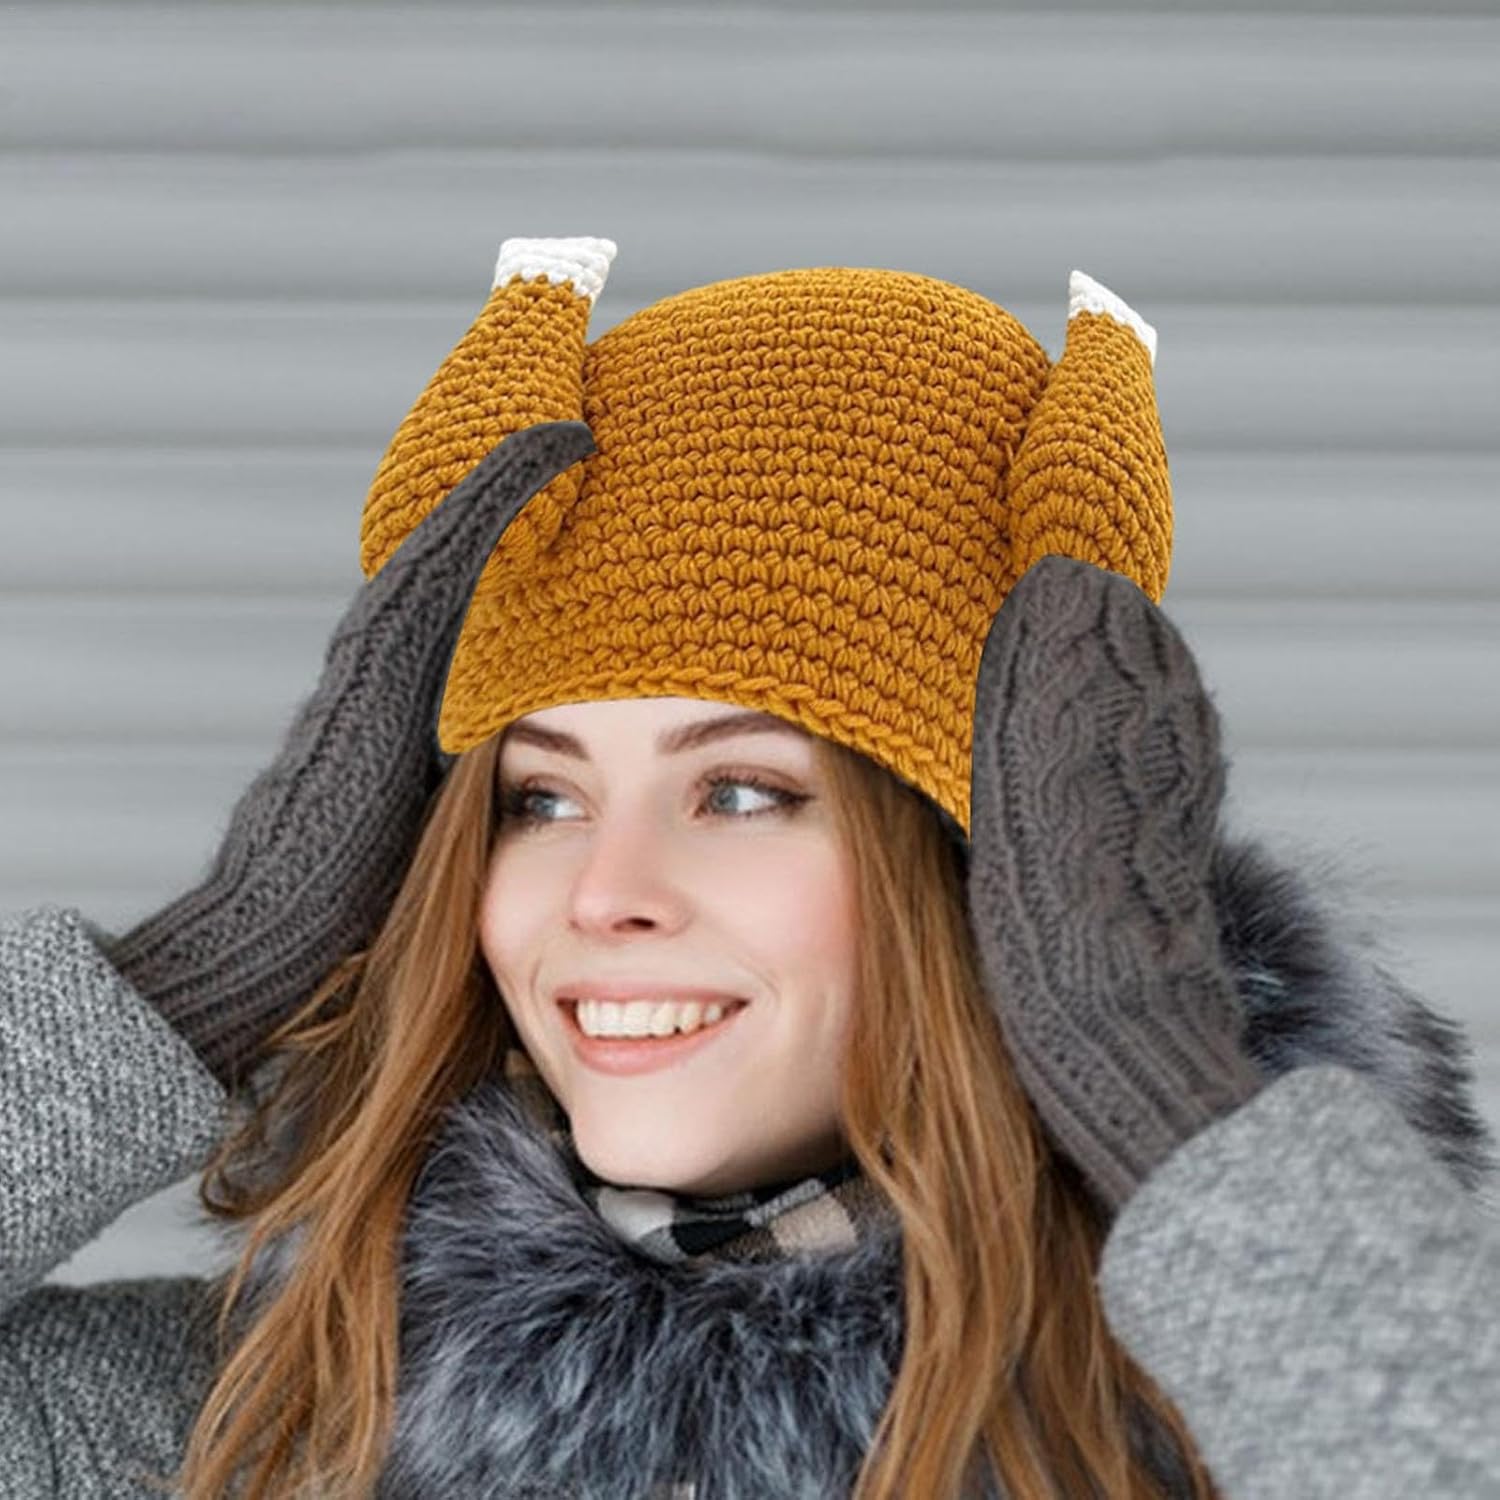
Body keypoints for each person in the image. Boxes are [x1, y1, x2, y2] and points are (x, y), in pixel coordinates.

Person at [2, 238, 1497, 1500]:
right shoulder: (281, 1421)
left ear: (1000, 866)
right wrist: (209, 970)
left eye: (738, 790)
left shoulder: (1211, 1423)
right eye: (540, 798)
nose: (605, 893)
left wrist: (1146, 1068)